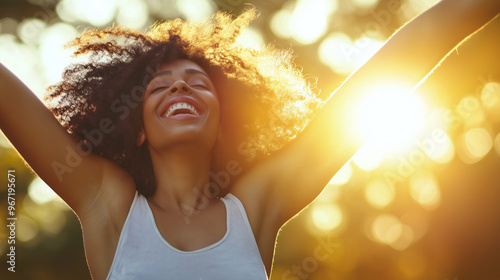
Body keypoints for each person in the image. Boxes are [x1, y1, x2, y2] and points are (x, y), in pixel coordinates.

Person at [1, 0, 499, 279]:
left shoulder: (256, 206)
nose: (180, 85)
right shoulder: (110, 205)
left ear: (223, 121)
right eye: (161, 84)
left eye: (199, 83)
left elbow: (397, 62)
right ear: (137, 126)